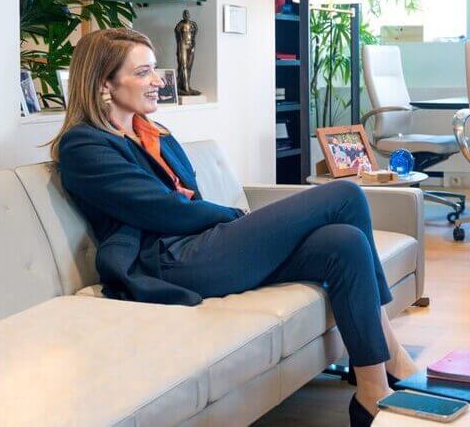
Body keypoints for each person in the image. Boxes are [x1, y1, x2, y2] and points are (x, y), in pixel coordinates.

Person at [50, 28, 415, 426]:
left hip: (202, 246)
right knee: (345, 194)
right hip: (172, 261)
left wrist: (217, 214)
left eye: (154, 69)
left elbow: (189, 194)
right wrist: (235, 217)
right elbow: (164, 210)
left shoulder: (153, 133)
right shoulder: (83, 146)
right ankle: (394, 353)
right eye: (143, 73)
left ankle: (372, 391)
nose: (157, 81)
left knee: (344, 242)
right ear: (104, 83)